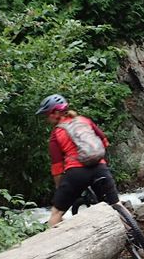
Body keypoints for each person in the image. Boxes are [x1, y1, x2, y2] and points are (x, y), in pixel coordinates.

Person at [35, 94, 120, 227]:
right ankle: (133, 236)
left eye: (47, 114)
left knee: (56, 212)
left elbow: (57, 167)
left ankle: (53, 244)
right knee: (116, 205)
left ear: (56, 113)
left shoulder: (56, 134)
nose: (47, 118)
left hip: (76, 173)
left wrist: (60, 188)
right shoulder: (84, 120)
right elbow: (104, 141)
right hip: (99, 167)